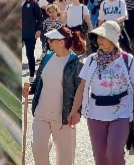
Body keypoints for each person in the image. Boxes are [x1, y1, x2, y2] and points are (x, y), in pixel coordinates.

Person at [69, 21, 134, 165]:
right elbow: (82, 87)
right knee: (101, 159)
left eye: (103, 37)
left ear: (113, 39)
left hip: (121, 113)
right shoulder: (91, 60)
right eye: (98, 36)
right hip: (95, 115)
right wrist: (74, 110)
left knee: (114, 154)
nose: (99, 40)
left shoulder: (127, 60)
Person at [23, 26, 85, 165]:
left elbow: (81, 91)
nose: (48, 42)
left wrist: (77, 112)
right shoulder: (47, 58)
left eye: (51, 40)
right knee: (38, 149)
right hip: (41, 113)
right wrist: (30, 90)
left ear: (62, 42)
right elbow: (39, 81)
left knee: (65, 158)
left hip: (63, 117)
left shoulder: (76, 64)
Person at [21, 0, 44, 81]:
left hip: (30, 34)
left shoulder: (33, 3)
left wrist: (39, 30)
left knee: (29, 54)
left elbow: (40, 18)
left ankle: (31, 75)